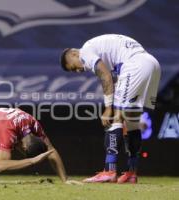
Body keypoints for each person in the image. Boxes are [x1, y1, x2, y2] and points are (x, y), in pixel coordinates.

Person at [60, 34, 161, 183]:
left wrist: (108, 108)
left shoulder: (86, 51)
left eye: (74, 67)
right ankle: (131, 173)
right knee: (132, 121)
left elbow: (105, 76)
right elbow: (113, 79)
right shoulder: (103, 50)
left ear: (75, 54)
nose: (78, 71)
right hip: (152, 65)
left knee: (115, 118)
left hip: (134, 65)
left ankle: (109, 170)